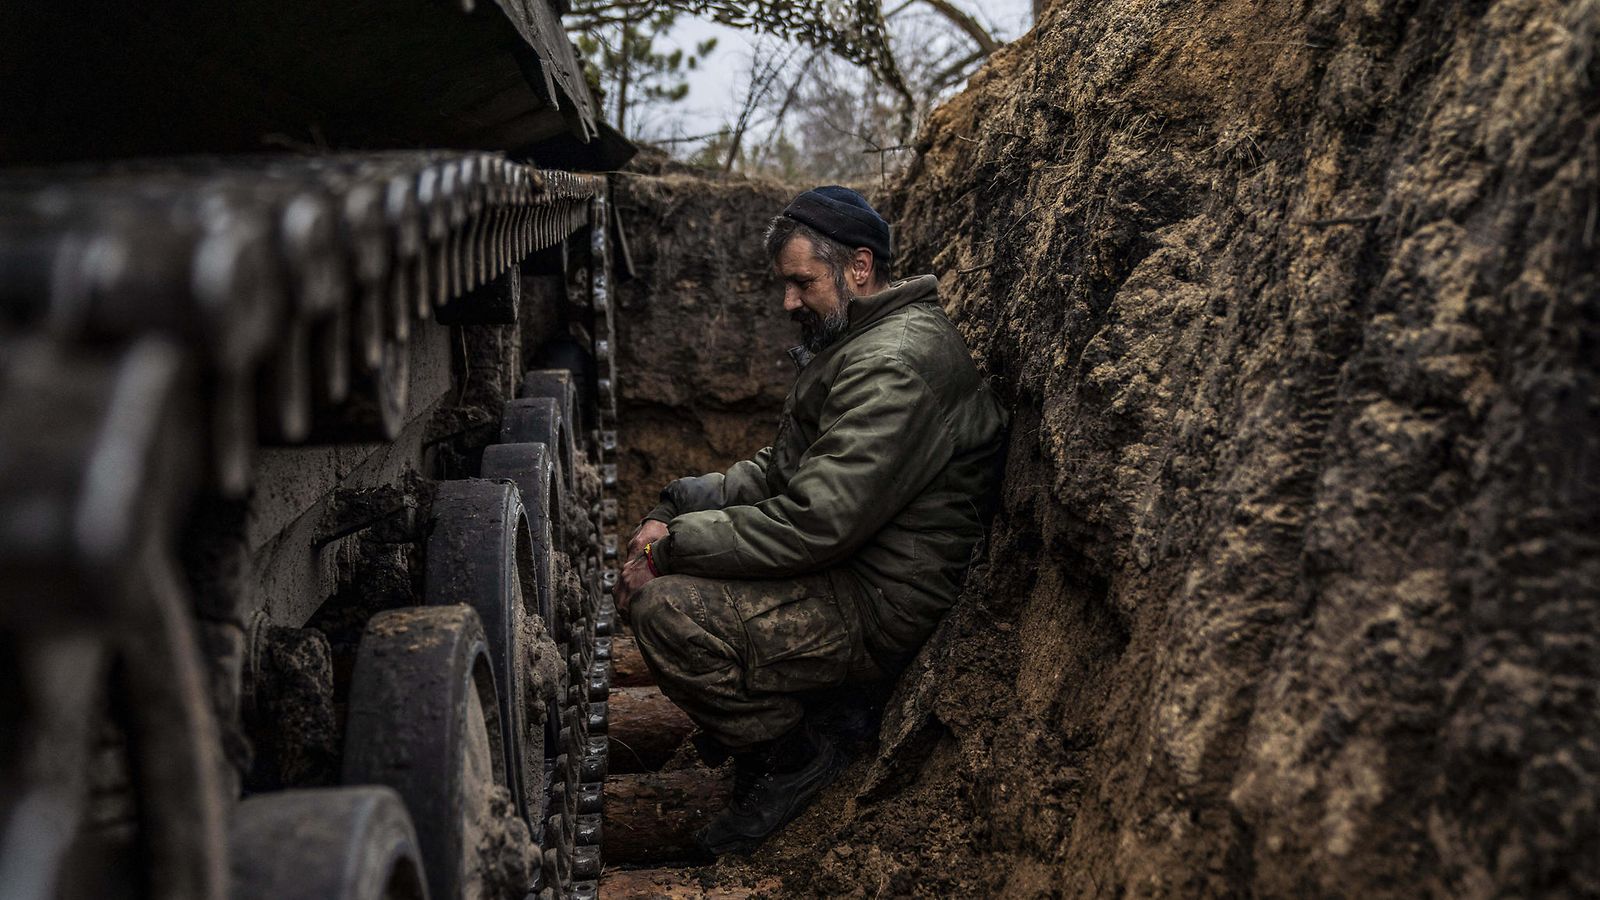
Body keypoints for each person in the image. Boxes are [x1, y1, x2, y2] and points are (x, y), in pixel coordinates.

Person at [612, 185, 1008, 855]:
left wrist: (670, 551)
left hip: (881, 601)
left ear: (859, 266)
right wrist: (676, 504)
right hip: (852, 568)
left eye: (802, 282)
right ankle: (796, 715)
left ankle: (797, 757)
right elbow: (781, 473)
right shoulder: (861, 340)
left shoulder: (893, 365)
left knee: (666, 611)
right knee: (672, 573)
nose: (788, 302)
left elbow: (812, 522)